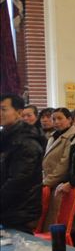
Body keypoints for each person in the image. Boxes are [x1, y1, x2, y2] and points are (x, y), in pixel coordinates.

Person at [1, 93, 45, 231]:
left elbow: (18, 181)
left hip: (20, 211)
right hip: (7, 209)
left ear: (19, 113)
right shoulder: (6, 137)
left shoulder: (27, 142)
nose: (0, 113)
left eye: (3, 109)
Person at [41, 107, 75, 190]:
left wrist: (47, 181)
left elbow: (64, 164)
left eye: (60, 118)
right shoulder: (53, 136)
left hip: (61, 184)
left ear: (69, 119)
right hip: (48, 180)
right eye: (54, 119)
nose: (56, 122)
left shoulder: (72, 136)